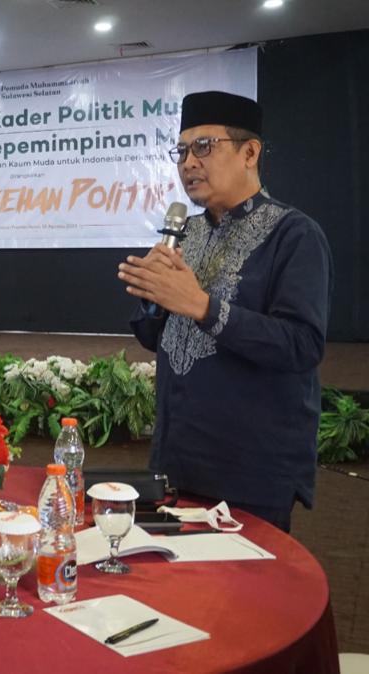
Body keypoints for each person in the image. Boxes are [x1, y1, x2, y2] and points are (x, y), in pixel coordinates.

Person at [118, 90, 332, 532]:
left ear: (249, 152)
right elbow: (157, 338)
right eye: (181, 151)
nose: (188, 163)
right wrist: (154, 299)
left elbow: (302, 345)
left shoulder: (295, 236)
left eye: (203, 146)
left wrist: (201, 306)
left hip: (249, 473)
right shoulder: (187, 233)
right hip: (175, 462)